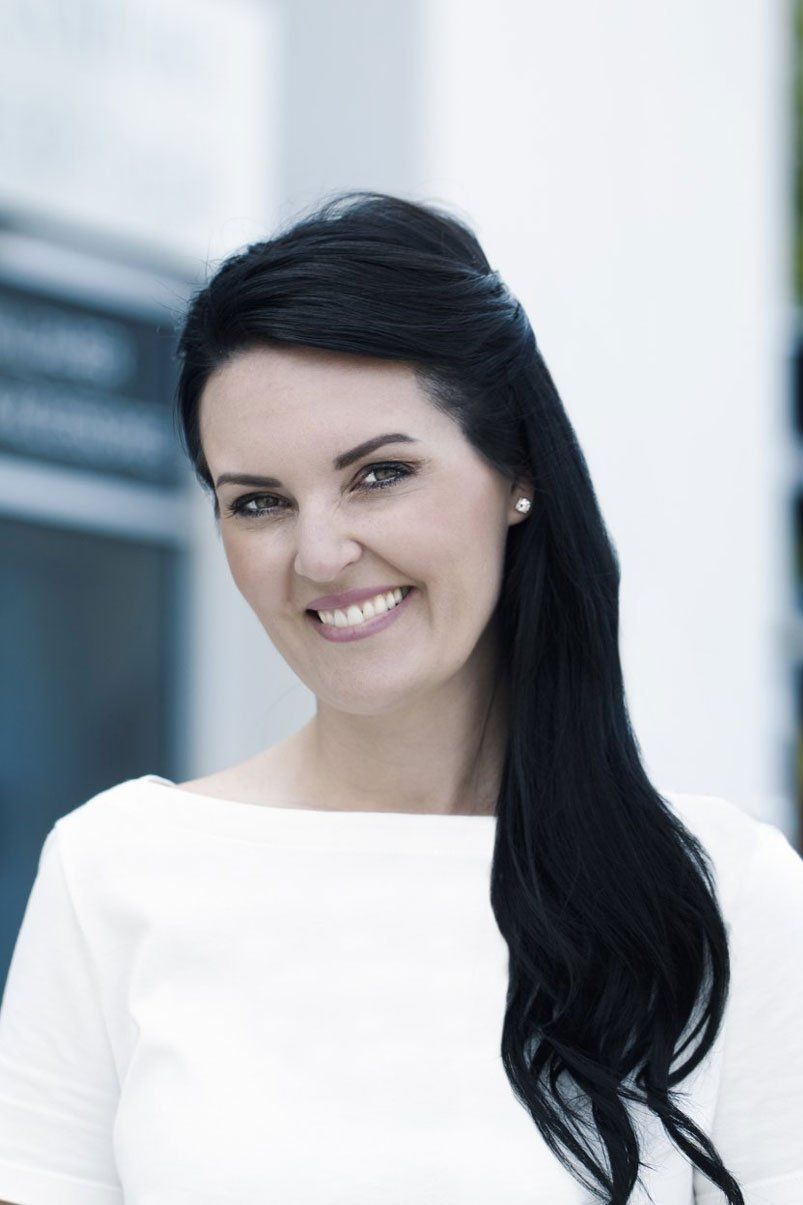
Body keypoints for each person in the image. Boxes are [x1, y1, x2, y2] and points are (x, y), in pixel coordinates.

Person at [0, 192, 801, 1205]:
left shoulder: (724, 896)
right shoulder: (112, 868)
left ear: (515, 469)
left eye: (378, 474)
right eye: (258, 501)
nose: (320, 553)